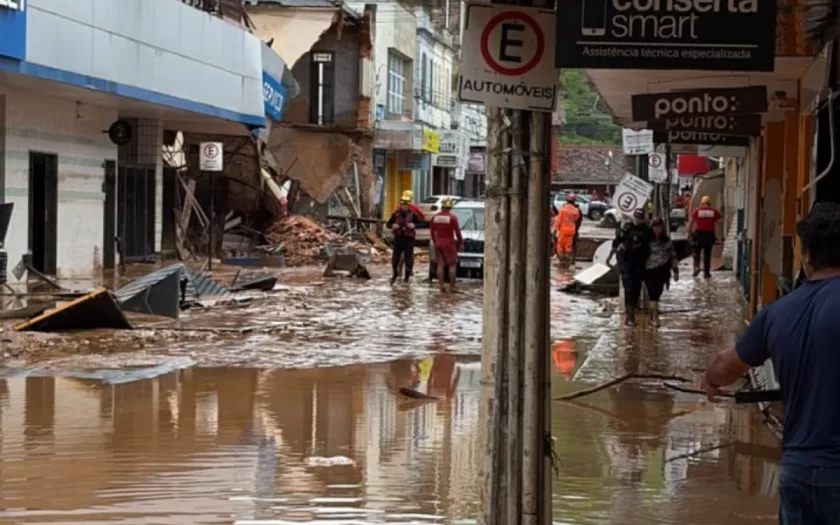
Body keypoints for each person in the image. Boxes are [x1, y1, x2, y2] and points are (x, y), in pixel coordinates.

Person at [701, 202, 840, 525]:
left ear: (806, 256)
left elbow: (724, 366)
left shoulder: (777, 313)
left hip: (798, 471)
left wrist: (710, 381)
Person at [608, 209, 654, 326]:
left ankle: (632, 311)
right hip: (626, 261)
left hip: (640, 262)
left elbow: (654, 246)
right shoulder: (627, 228)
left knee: (636, 288)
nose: (637, 221)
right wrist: (609, 258)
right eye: (636, 218)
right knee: (629, 288)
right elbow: (616, 242)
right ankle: (630, 316)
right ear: (633, 218)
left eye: (640, 218)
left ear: (643, 219)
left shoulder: (648, 231)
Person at [644, 218, 678, 327]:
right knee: (653, 294)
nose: (657, 229)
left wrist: (675, 270)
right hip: (649, 270)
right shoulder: (647, 240)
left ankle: (651, 315)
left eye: (659, 227)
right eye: (655, 227)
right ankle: (655, 318)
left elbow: (672, 256)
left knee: (658, 293)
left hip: (663, 271)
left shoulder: (666, 241)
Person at [386, 196, 422, 285]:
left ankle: (406, 278)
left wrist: (414, 225)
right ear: (401, 205)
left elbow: (420, 223)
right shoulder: (395, 214)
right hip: (398, 239)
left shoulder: (413, 215)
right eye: (403, 205)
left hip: (409, 240)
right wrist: (392, 225)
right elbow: (388, 224)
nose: (404, 207)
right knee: (395, 258)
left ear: (408, 206)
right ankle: (395, 274)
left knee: (408, 259)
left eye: (406, 205)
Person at [430, 199, 463, 293]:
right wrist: (460, 243)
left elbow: (432, 232)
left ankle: (441, 285)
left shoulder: (435, 217)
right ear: (450, 208)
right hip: (449, 243)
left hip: (438, 242)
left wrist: (435, 241)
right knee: (452, 264)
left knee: (440, 264)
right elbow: (457, 232)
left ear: (442, 207)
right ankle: (452, 286)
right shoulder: (453, 218)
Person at [688, 195, 721, 278]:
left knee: (696, 252)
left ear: (701, 203)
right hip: (709, 235)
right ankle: (706, 273)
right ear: (709, 203)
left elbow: (691, 222)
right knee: (707, 254)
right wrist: (718, 237)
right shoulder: (714, 211)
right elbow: (718, 224)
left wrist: (689, 233)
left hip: (699, 234)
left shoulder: (697, 210)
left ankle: (696, 267)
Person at [554, 193, 582, 267]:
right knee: (568, 246)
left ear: (567, 200)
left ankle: (562, 262)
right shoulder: (576, 210)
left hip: (563, 230)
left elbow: (559, 220)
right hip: (571, 230)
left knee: (560, 245)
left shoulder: (563, 209)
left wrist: (555, 229)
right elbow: (576, 219)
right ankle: (567, 263)